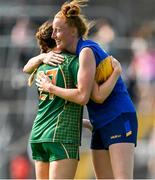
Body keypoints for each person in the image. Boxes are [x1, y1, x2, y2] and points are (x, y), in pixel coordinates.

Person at [36, 0, 138, 179]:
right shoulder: (76, 55)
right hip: (100, 123)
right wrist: (41, 58)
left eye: (58, 29)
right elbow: (27, 68)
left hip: (119, 118)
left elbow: (89, 97)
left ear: (73, 31)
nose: (53, 35)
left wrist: (50, 87)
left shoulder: (86, 52)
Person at [23, 20, 84, 179]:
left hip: (38, 135)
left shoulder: (41, 65)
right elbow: (83, 95)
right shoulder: (73, 62)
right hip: (61, 135)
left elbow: (26, 67)